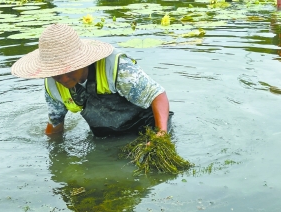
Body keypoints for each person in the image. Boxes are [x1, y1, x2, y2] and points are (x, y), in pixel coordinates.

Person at [11, 23, 171, 137]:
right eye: (57, 73)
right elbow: (55, 123)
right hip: (104, 137)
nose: (64, 78)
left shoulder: (115, 67)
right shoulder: (52, 87)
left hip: (147, 126)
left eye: (68, 69)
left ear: (82, 61)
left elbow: (157, 95)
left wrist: (161, 133)